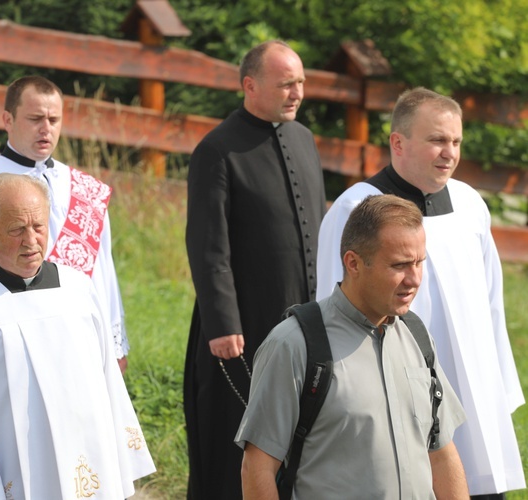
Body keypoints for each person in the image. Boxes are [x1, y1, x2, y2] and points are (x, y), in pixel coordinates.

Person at [316, 88, 525, 498]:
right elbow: (332, 308)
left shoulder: (469, 204)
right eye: (437, 140)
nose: (449, 152)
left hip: (474, 394)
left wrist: (498, 386)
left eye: (456, 142)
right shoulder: (357, 208)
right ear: (398, 142)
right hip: (397, 391)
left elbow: (492, 303)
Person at [0, 173, 155, 498]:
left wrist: (120, 467)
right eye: (16, 229)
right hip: (17, 477)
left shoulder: (79, 290)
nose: (31, 241)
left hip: (91, 472)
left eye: (38, 227)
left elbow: (109, 385)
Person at [237, 194, 469, 498]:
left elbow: (441, 453)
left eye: (419, 263)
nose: (414, 279)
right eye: (399, 265)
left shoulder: (417, 336)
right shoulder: (293, 344)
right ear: (353, 263)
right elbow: (257, 468)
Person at [184, 40, 326, 498]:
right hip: (242, 332)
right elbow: (208, 247)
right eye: (286, 84)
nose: (297, 93)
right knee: (236, 446)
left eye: (301, 82)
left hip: (304, 324)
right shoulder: (217, 150)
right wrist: (224, 325)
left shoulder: (304, 139)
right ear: (250, 85)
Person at [0, 75, 129, 372]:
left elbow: (104, 275)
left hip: (84, 340)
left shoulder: (86, 189)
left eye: (54, 119)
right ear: (8, 119)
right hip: (15, 344)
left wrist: (114, 345)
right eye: (35, 118)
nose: (46, 129)